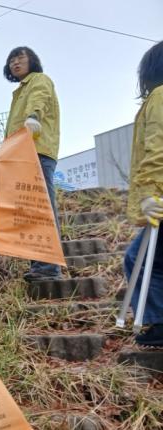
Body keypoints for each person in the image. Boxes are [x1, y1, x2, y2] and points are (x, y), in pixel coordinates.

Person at [0, 46, 63, 281]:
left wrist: (34, 116)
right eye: (11, 59)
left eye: (20, 58)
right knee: (13, 205)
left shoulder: (39, 80)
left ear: (32, 61)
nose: (15, 62)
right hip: (19, 154)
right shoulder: (19, 91)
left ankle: (47, 268)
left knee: (38, 208)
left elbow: (40, 99)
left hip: (37, 152)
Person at [124, 40, 163, 348]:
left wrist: (149, 192)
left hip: (161, 198)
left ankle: (158, 324)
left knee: (139, 256)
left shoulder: (160, 97)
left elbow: (157, 149)